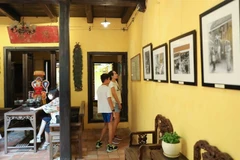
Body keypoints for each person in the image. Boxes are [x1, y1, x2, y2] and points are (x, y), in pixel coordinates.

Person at [95, 73, 118, 153]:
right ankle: (110, 145)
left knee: (105, 125)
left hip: (102, 110)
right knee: (110, 126)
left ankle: (99, 141)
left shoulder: (99, 88)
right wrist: (113, 111)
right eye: (109, 79)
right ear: (107, 79)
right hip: (108, 110)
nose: (109, 80)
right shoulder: (107, 89)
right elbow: (109, 100)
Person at [108, 70, 122, 143]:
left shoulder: (115, 82)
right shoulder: (111, 84)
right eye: (115, 73)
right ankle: (112, 137)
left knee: (117, 120)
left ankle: (114, 134)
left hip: (117, 102)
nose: (117, 74)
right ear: (111, 76)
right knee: (116, 120)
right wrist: (119, 103)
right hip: (115, 103)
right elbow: (114, 94)